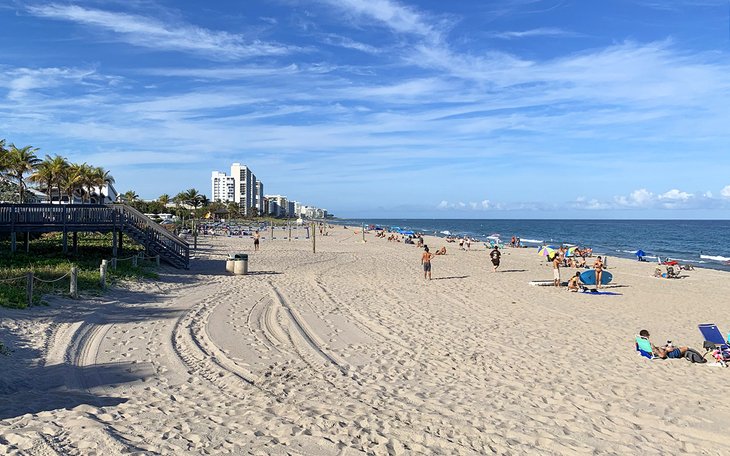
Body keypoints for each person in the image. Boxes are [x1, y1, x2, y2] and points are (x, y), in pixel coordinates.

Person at [638, 329, 706, 362]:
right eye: (648, 335)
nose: (649, 336)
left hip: (663, 351)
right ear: (646, 336)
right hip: (669, 354)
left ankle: (687, 355)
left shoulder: (641, 343)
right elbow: (662, 356)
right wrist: (667, 350)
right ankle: (701, 359)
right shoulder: (651, 345)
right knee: (686, 348)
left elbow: (638, 349)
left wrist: (662, 348)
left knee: (676, 347)